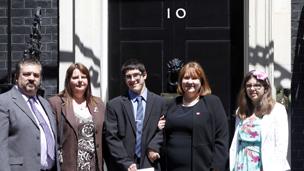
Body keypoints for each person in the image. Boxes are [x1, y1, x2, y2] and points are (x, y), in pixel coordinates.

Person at [160, 61, 229, 171]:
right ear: (180, 81)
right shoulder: (171, 104)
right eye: (186, 78)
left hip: (203, 167)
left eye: (195, 78)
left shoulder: (212, 103)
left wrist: (217, 166)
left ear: (201, 82)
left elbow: (221, 137)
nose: (190, 82)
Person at [104, 59, 166, 171]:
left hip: (150, 163)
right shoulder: (114, 105)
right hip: (123, 166)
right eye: (128, 76)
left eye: (136, 75)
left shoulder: (160, 103)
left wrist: (154, 147)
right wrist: (126, 162)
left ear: (144, 75)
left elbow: (164, 130)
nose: (132, 80)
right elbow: (111, 137)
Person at [0, 57, 59, 171]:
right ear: (16, 77)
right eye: (27, 74)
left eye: (36, 75)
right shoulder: (4, 102)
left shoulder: (45, 104)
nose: (32, 78)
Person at [48, 63, 105, 171]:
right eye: (75, 77)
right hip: (68, 165)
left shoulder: (98, 103)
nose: (80, 80)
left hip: (93, 166)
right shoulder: (56, 103)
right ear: (68, 80)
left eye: (83, 77)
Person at [229, 70, 290, 171]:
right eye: (248, 86)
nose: (252, 88)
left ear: (265, 88)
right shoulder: (241, 110)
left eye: (257, 85)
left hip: (266, 165)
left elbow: (281, 146)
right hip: (241, 164)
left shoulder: (277, 110)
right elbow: (236, 142)